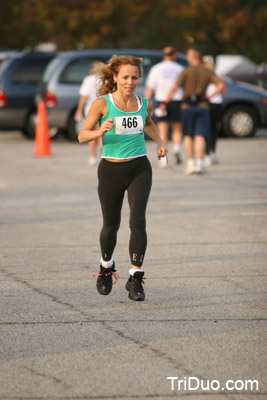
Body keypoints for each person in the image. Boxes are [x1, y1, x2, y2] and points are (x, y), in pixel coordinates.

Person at [78, 55, 167, 301]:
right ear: (115, 77)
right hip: (111, 170)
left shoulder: (144, 103)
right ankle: (106, 267)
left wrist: (160, 142)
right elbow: (82, 135)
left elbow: (148, 122)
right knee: (111, 225)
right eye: (125, 77)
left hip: (140, 168)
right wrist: (99, 130)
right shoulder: (101, 104)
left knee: (138, 222)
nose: (130, 82)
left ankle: (136, 277)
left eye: (135, 77)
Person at [162, 48, 225, 175]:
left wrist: (166, 101)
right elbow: (221, 85)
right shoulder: (208, 71)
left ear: (193, 58)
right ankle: (200, 163)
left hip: (187, 106)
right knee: (200, 135)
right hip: (202, 106)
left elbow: (175, 87)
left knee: (188, 135)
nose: (187, 57)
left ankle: (191, 163)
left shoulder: (185, 71)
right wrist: (210, 96)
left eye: (189, 55)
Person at [144, 46, 184, 167]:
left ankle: (162, 156)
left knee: (162, 130)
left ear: (164, 55)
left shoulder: (156, 68)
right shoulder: (179, 69)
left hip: (161, 101)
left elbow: (150, 88)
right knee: (177, 127)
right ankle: (177, 148)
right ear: (174, 56)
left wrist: (145, 104)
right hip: (176, 100)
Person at [75, 61, 103, 165]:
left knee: (91, 133)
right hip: (103, 108)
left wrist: (79, 110)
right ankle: (102, 149)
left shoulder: (88, 80)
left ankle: (92, 157)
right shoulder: (104, 79)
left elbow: (83, 97)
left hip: (90, 109)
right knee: (101, 131)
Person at [202, 56, 225, 166]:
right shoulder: (218, 73)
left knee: (207, 129)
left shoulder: (205, 73)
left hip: (208, 103)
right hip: (217, 103)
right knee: (214, 128)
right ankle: (213, 153)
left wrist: (209, 96)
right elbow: (223, 89)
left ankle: (207, 154)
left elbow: (221, 88)